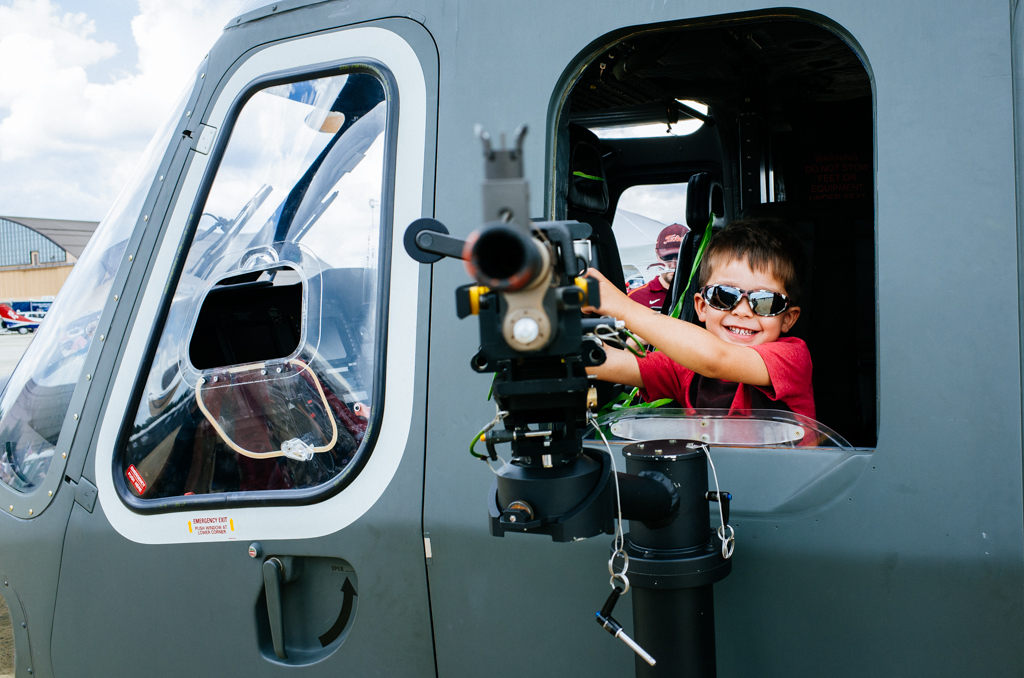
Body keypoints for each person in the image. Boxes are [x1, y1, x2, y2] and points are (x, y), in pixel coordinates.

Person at [586, 218, 814, 419]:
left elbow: (716, 359)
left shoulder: (792, 359)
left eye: (766, 301)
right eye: (724, 295)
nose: (742, 311)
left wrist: (623, 308)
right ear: (702, 307)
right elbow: (600, 362)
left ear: (788, 318)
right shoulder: (683, 367)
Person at [626, 223, 686, 311]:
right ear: (657, 255)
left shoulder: (701, 296)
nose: (673, 265)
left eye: (680, 258)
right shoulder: (634, 298)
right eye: (667, 257)